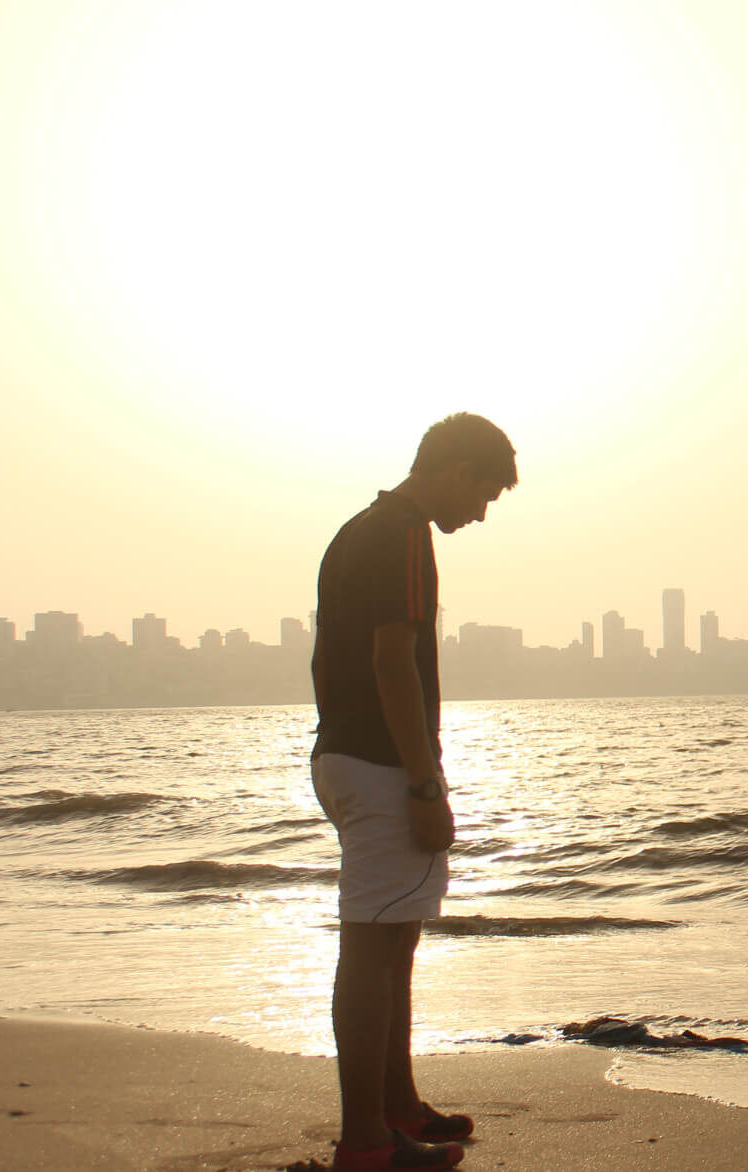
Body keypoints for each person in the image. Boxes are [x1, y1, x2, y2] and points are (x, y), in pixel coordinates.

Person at [311, 413, 517, 1172]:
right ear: (457, 470)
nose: (482, 513)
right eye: (485, 493)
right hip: (380, 764)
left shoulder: (355, 531)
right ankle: (366, 1140)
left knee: (393, 938)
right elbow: (393, 662)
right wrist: (425, 783)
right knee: (373, 947)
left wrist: (346, 747)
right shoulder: (403, 534)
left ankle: (395, 1106)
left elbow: (324, 659)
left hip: (344, 754)